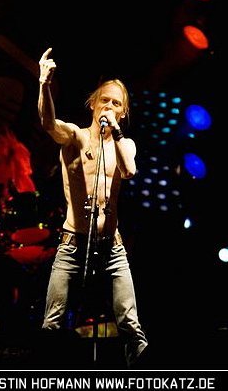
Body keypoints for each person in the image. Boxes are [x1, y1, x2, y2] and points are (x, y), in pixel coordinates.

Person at [37, 48, 148, 368]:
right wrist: (44, 84)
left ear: (123, 112)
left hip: (112, 246)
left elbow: (129, 171)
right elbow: (48, 122)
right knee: (53, 323)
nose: (109, 107)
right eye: (105, 101)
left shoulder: (125, 144)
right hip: (73, 243)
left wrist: (116, 131)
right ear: (93, 104)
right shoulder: (75, 136)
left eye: (116, 104)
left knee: (131, 326)